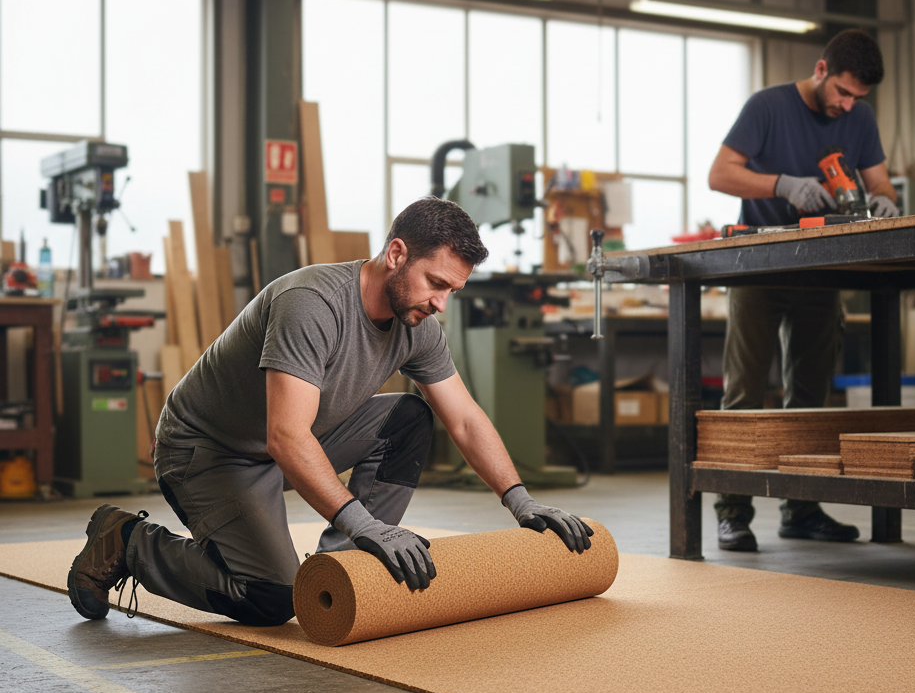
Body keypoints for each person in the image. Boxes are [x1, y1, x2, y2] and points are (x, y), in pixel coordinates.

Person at [67, 197, 592, 625]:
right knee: (270, 599)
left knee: (409, 418)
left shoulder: (418, 327)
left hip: (287, 442)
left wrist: (519, 500)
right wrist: (365, 519)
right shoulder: (312, 304)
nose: (440, 304)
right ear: (396, 253)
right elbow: (286, 437)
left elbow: (465, 418)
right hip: (207, 452)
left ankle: (342, 574)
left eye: (453, 291)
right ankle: (128, 542)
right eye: (437, 284)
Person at [707, 29, 899, 552]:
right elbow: (719, 174)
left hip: (820, 270)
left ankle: (802, 508)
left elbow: (880, 182)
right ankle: (733, 511)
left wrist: (885, 199)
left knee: (811, 395)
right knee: (744, 394)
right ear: (820, 70)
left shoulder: (858, 118)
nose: (847, 105)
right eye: (841, 92)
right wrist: (781, 184)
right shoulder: (767, 107)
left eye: (857, 98)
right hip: (759, 267)